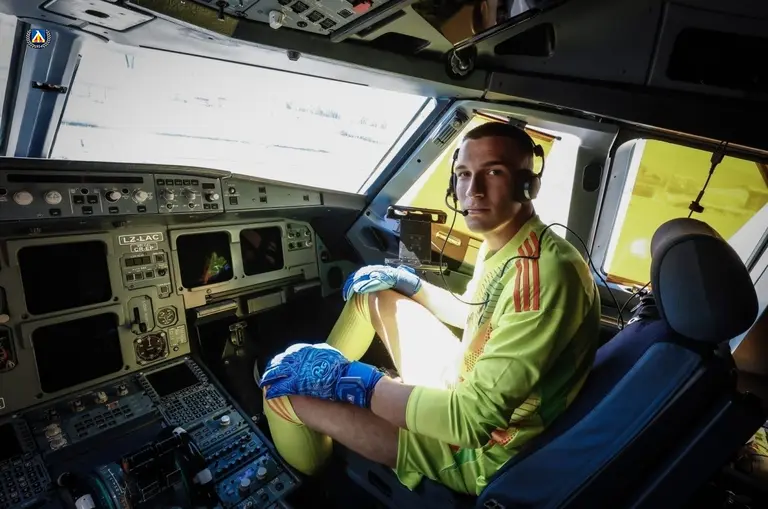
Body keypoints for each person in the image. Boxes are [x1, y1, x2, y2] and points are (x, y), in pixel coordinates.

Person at [258, 122, 601, 495]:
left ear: (527, 186)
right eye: (463, 174)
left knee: (278, 392)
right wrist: (413, 286)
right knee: (372, 295)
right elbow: (474, 313)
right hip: (461, 381)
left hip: (477, 448)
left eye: (494, 172)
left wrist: (353, 382)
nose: (473, 190)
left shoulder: (546, 276)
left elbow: (471, 422)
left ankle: (312, 468)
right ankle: (315, 377)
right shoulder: (509, 242)